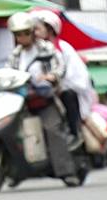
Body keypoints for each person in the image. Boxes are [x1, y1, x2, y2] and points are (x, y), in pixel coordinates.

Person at [6, 12, 77, 181]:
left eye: (25, 32)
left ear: (31, 31)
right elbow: (9, 72)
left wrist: (51, 77)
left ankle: (67, 172)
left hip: (44, 99)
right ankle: (16, 172)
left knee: (53, 130)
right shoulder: (15, 55)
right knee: (12, 133)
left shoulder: (46, 48)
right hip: (21, 101)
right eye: (18, 34)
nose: (22, 37)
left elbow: (59, 67)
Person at [31, 8, 95, 140]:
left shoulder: (62, 48)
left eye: (37, 29)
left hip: (64, 91)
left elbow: (74, 76)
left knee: (67, 96)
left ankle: (73, 133)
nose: (34, 33)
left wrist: (56, 82)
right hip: (40, 92)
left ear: (49, 29)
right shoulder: (32, 49)